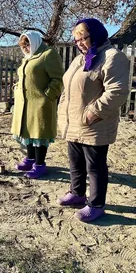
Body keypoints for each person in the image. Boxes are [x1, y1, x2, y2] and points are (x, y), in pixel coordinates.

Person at [56, 18, 130, 222]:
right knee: (75, 162)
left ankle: (96, 204)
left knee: (95, 166)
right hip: (73, 122)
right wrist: (63, 109)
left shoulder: (112, 57)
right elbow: (67, 87)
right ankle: (77, 194)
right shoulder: (80, 59)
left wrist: (92, 114)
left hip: (95, 124)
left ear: (95, 35)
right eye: (76, 39)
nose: (79, 42)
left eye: (83, 37)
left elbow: (117, 91)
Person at [11, 31, 64, 179]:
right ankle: (30, 159)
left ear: (34, 42)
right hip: (24, 103)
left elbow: (58, 78)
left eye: (27, 44)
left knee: (40, 134)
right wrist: (16, 88)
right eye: (23, 45)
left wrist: (47, 96)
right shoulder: (28, 58)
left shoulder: (48, 54)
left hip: (40, 103)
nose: (26, 48)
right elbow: (23, 77)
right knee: (28, 132)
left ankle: (40, 165)